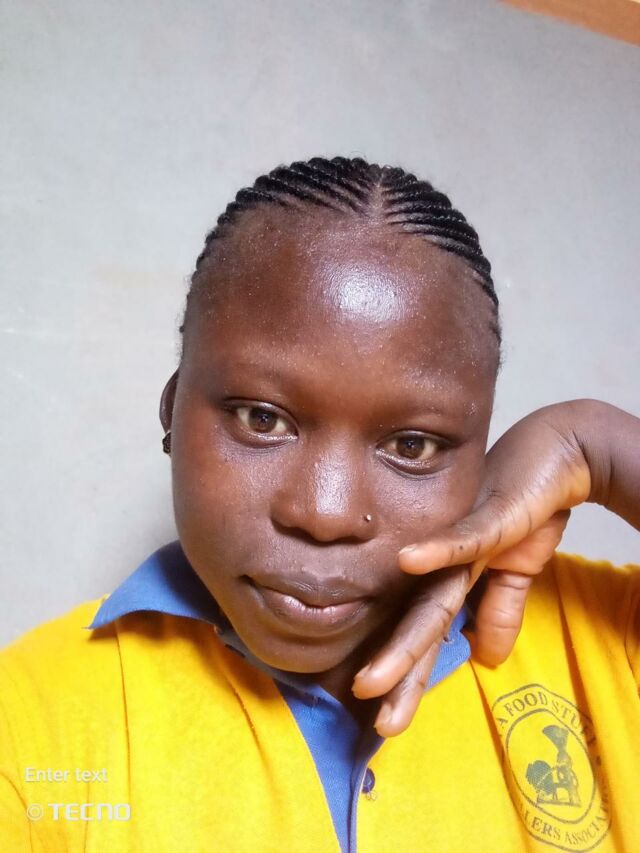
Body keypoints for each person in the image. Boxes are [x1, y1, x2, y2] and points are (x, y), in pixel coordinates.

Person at [1, 156, 638, 853]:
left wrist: (598, 445)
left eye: (413, 445)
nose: (325, 513)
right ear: (171, 411)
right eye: (262, 418)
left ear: (481, 459)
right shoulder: (30, 724)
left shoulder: (605, 641)